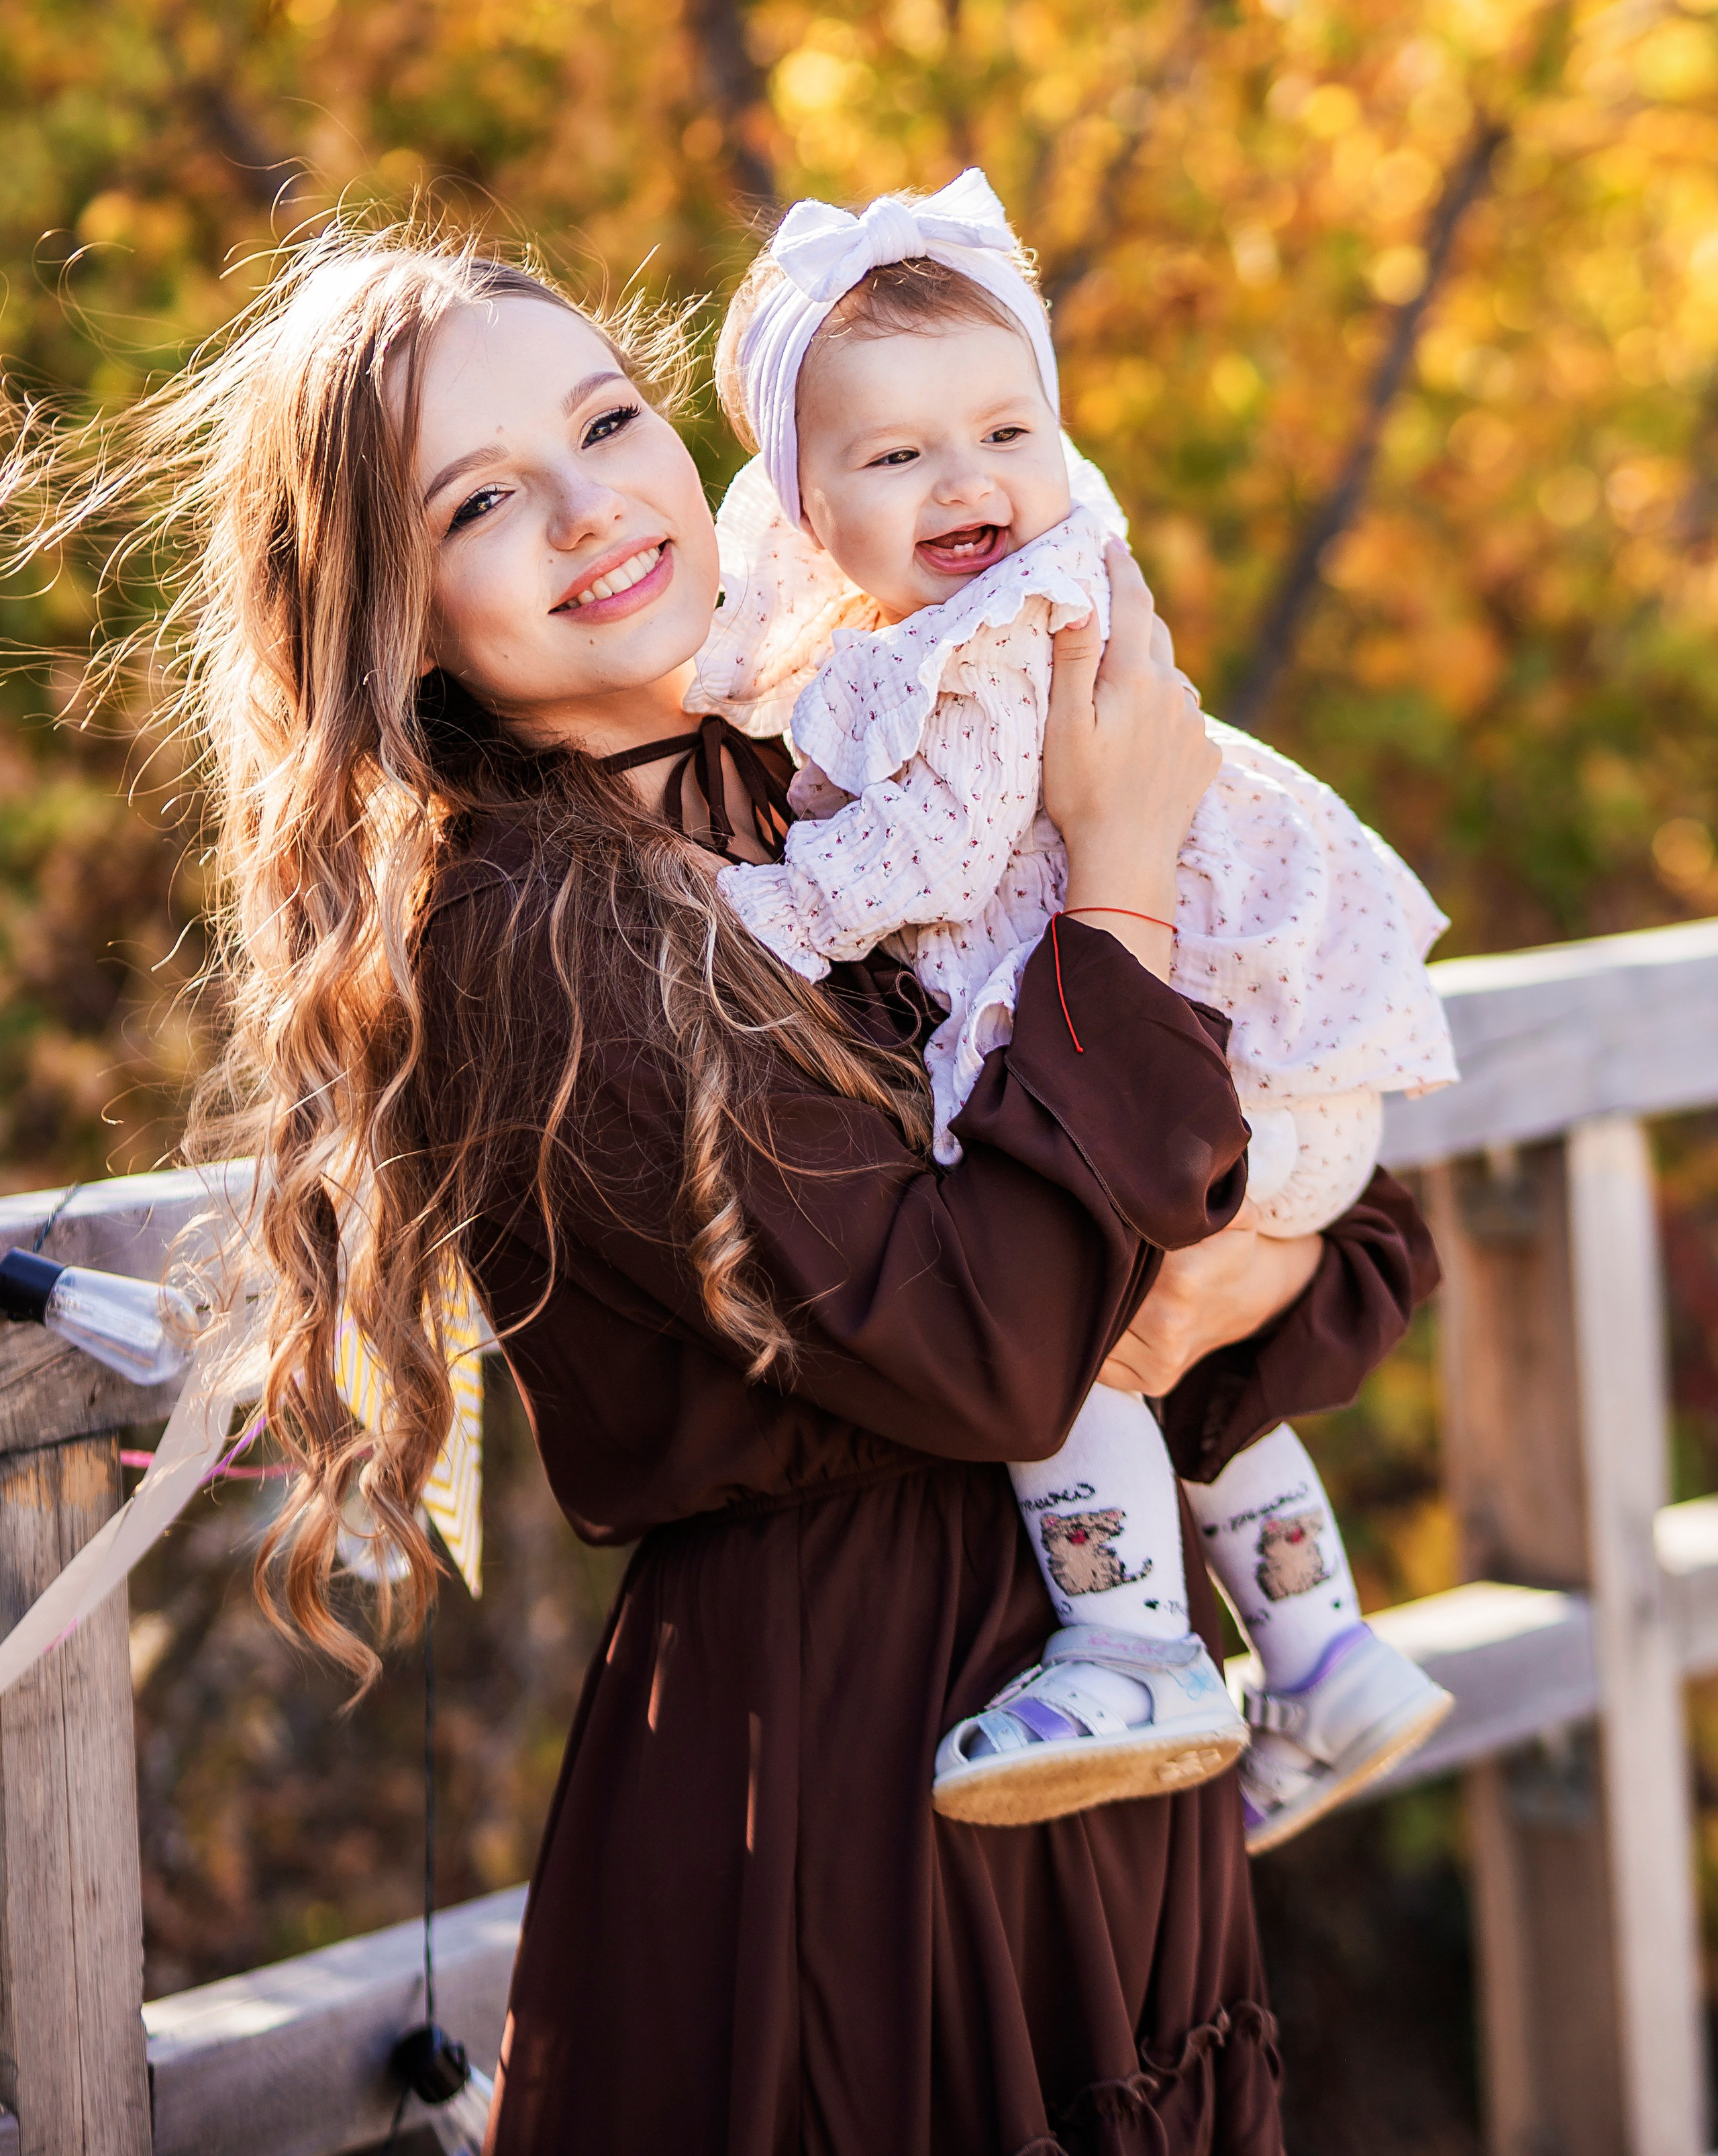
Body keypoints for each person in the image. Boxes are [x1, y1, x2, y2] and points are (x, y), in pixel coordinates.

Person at [67, 225, 1437, 2156]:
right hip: (855, 1781)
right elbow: (980, 1357)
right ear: (397, 614)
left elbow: (1364, 1207)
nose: (587, 507)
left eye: (607, 421)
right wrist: (1117, 879)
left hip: (1108, 1739)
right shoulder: (536, 930)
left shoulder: (852, 758)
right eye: (478, 498)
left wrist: (1236, 1272)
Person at [699, 169, 1454, 1848]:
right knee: (1188, 1339)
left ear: (1058, 431)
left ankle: (1132, 1641)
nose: (965, 480)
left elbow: (945, 837)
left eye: (1000, 431)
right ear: (803, 512)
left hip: (1229, 1059)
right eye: (894, 457)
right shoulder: (1004, 610)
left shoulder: (1002, 624)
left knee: (1077, 1308)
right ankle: (1321, 1649)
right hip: (1290, 1076)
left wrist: (766, 907)